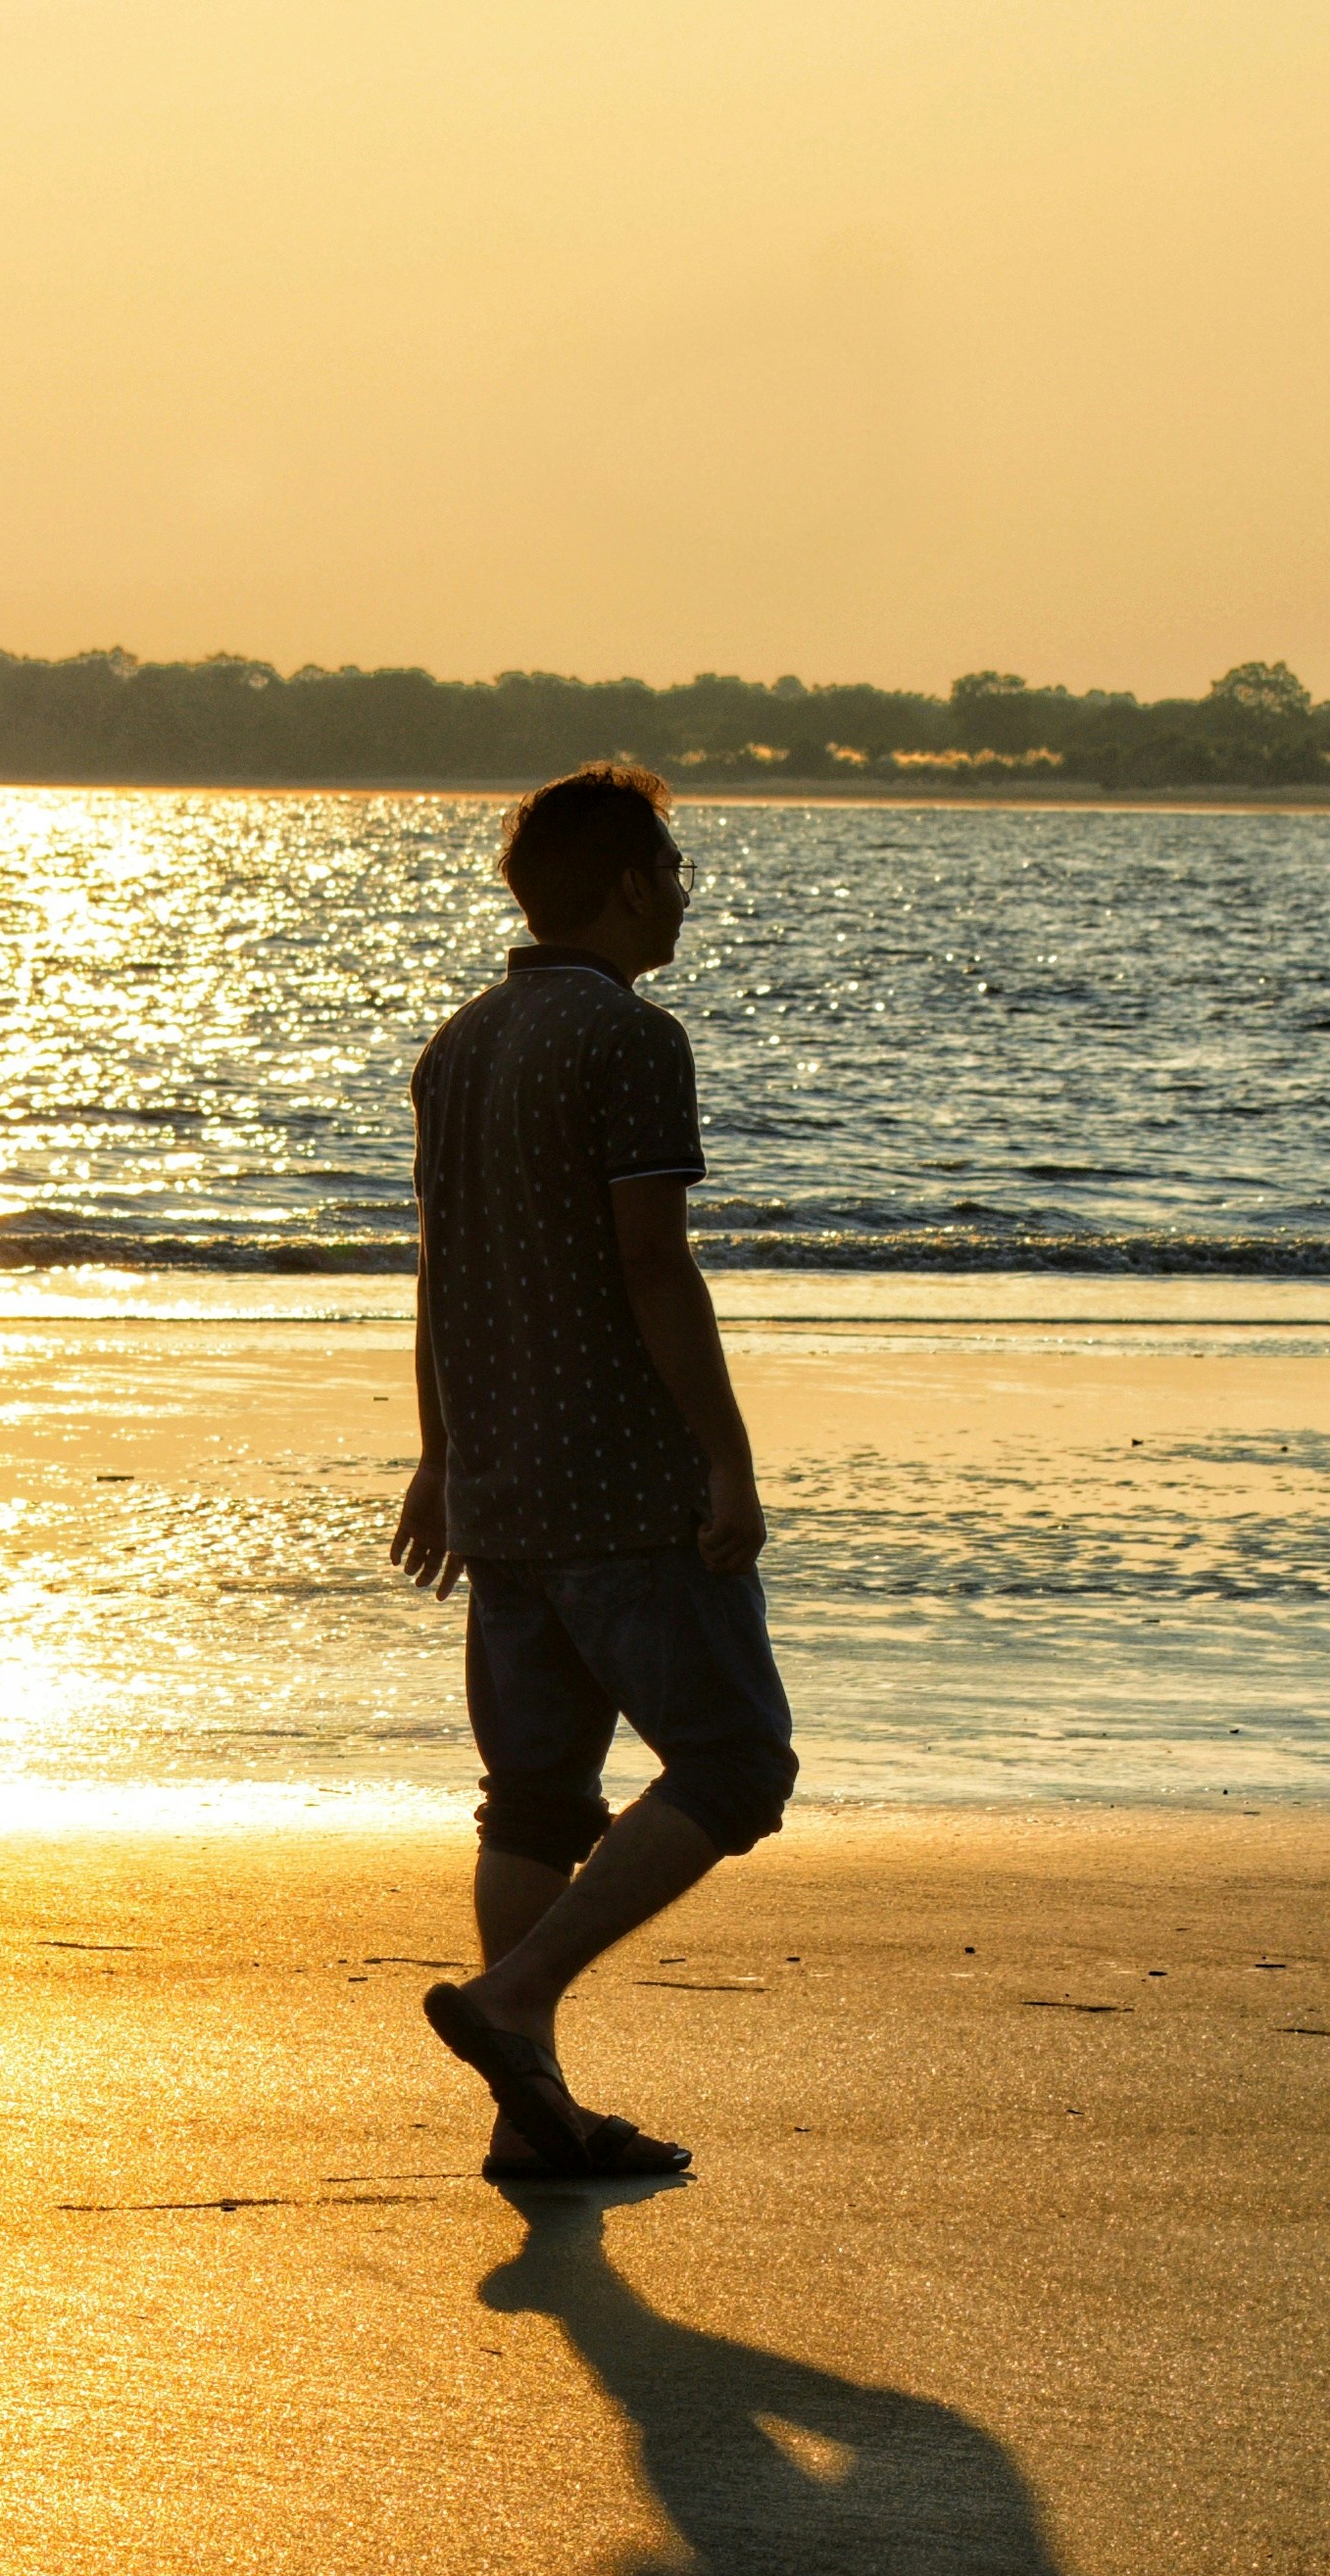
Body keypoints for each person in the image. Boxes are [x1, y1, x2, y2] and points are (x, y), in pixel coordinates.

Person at [391, 762, 796, 2181]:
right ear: (625, 882)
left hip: (500, 1475)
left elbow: (440, 1271)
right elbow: (649, 1263)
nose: (679, 895)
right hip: (618, 1480)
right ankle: (513, 2001)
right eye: (669, 872)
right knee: (735, 1760)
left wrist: (441, 1454)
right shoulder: (627, 1039)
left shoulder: (460, 1044)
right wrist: (725, 1460)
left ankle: (531, 2113)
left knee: (536, 1796)